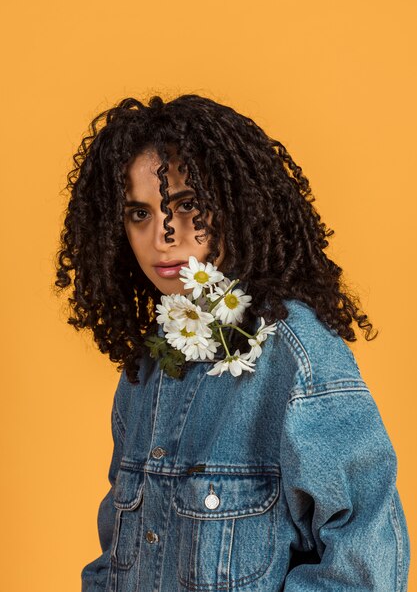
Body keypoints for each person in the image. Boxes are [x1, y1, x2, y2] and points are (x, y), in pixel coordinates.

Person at [54, 94, 410, 591]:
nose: (164, 234)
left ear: (236, 207)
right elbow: (116, 558)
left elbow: (365, 565)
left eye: (187, 206)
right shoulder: (147, 367)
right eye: (139, 214)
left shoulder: (295, 355)